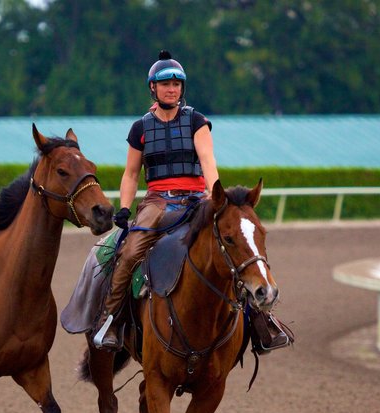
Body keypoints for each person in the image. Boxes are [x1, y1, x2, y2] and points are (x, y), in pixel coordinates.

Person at [93, 50, 292, 354]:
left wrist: (217, 198)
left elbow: (207, 160)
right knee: (130, 251)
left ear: (182, 88)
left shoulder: (197, 121)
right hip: (157, 203)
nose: (171, 89)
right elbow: (131, 174)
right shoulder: (140, 128)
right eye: (165, 84)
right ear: (153, 88)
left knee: (236, 245)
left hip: (197, 200)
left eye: (176, 84)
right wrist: (123, 206)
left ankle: (264, 322)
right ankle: (111, 321)